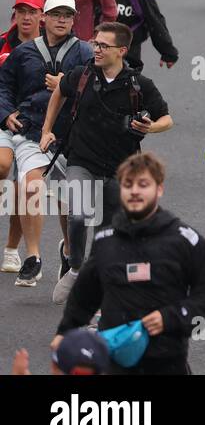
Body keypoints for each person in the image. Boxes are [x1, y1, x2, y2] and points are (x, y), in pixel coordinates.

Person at [52, 153, 205, 375]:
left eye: (143, 184)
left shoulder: (183, 240)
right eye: (128, 184)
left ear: (159, 189)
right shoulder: (106, 242)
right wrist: (65, 332)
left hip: (167, 361)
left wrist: (171, 318)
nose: (134, 191)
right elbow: (84, 296)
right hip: (115, 362)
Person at [41, 21, 172, 304]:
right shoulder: (82, 75)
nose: (96, 49)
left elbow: (166, 119)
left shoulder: (139, 84)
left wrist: (149, 128)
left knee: (106, 242)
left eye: (103, 45)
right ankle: (75, 267)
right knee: (77, 214)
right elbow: (59, 92)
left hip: (120, 171)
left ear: (122, 51)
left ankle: (97, 306)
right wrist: (46, 129)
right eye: (95, 43)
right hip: (81, 161)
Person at [0, 0, 92, 288]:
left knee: (69, 203)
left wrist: (67, 85)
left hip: (73, 136)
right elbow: (2, 87)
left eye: (67, 15)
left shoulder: (85, 53)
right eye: (56, 15)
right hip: (34, 131)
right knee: (31, 186)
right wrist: (5, 114)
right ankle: (34, 257)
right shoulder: (24, 53)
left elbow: (99, 90)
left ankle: (68, 251)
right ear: (45, 18)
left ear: (73, 19)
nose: (61, 20)